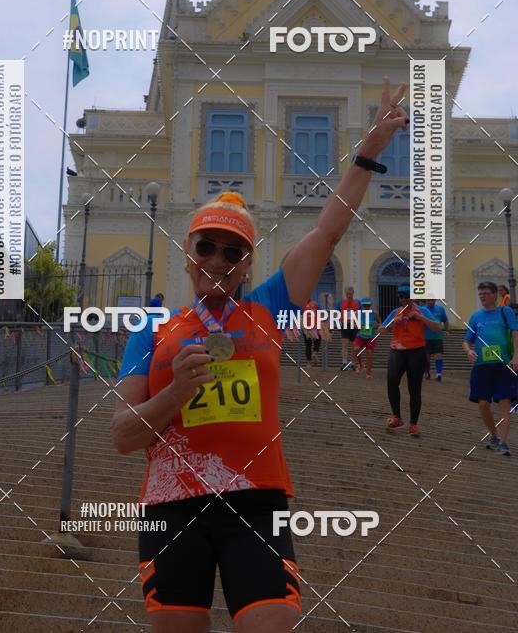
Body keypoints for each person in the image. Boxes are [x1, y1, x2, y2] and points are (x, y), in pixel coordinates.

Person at [111, 77, 408, 633]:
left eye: (234, 251)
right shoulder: (150, 331)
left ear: (248, 263)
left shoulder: (269, 308)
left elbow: (329, 227)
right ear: (188, 253)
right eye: (207, 246)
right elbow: (123, 435)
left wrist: (368, 151)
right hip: (172, 507)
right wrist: (175, 390)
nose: (219, 259)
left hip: (256, 502)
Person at [463, 281, 518, 456]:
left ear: (495, 295)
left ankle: (503, 442)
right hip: (482, 366)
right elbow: (466, 340)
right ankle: (494, 435)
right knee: (483, 403)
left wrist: (516, 356)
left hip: (503, 365)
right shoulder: (476, 316)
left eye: (486, 293)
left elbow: (515, 332)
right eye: (480, 294)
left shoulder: (505, 311)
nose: (482, 297)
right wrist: (469, 351)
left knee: (505, 402)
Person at [378, 285, 442, 436]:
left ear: (412, 297)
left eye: (406, 297)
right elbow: (380, 330)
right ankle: (396, 417)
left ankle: (413, 424)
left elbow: (437, 327)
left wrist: (421, 318)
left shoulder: (423, 310)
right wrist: (394, 322)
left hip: (417, 351)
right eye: (401, 297)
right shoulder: (395, 312)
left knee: (414, 388)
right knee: (392, 380)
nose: (403, 300)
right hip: (397, 350)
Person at [353, 297, 381, 379]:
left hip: (371, 336)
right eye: (364, 305)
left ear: (370, 305)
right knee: (356, 349)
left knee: (369, 353)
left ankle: (368, 373)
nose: (366, 307)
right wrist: (357, 325)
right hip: (360, 335)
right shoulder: (358, 313)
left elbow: (380, 323)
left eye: (367, 305)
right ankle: (360, 364)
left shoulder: (375, 313)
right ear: (362, 306)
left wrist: (377, 326)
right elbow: (354, 324)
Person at [335, 285, 362, 371]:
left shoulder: (357, 302)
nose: (349, 295)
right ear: (345, 294)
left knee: (354, 346)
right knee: (345, 344)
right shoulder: (340, 302)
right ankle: (344, 362)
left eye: (350, 294)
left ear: (353, 293)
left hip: (354, 326)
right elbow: (336, 313)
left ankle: (352, 363)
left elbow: (361, 313)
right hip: (345, 325)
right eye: (347, 294)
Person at [424, 298, 450, 381]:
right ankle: (427, 372)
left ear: (435, 300)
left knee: (438, 356)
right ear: (426, 300)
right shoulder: (422, 309)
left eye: (432, 300)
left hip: (438, 337)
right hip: (425, 337)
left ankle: (439, 375)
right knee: (426, 357)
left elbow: (445, 320)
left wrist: (446, 330)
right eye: (429, 300)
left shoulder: (440, 309)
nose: (430, 302)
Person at [302, 299, 321, 366]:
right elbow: (321, 314)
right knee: (317, 341)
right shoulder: (316, 304)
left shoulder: (302, 305)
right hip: (314, 326)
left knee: (308, 345)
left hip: (306, 327)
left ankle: (308, 362)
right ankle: (315, 352)